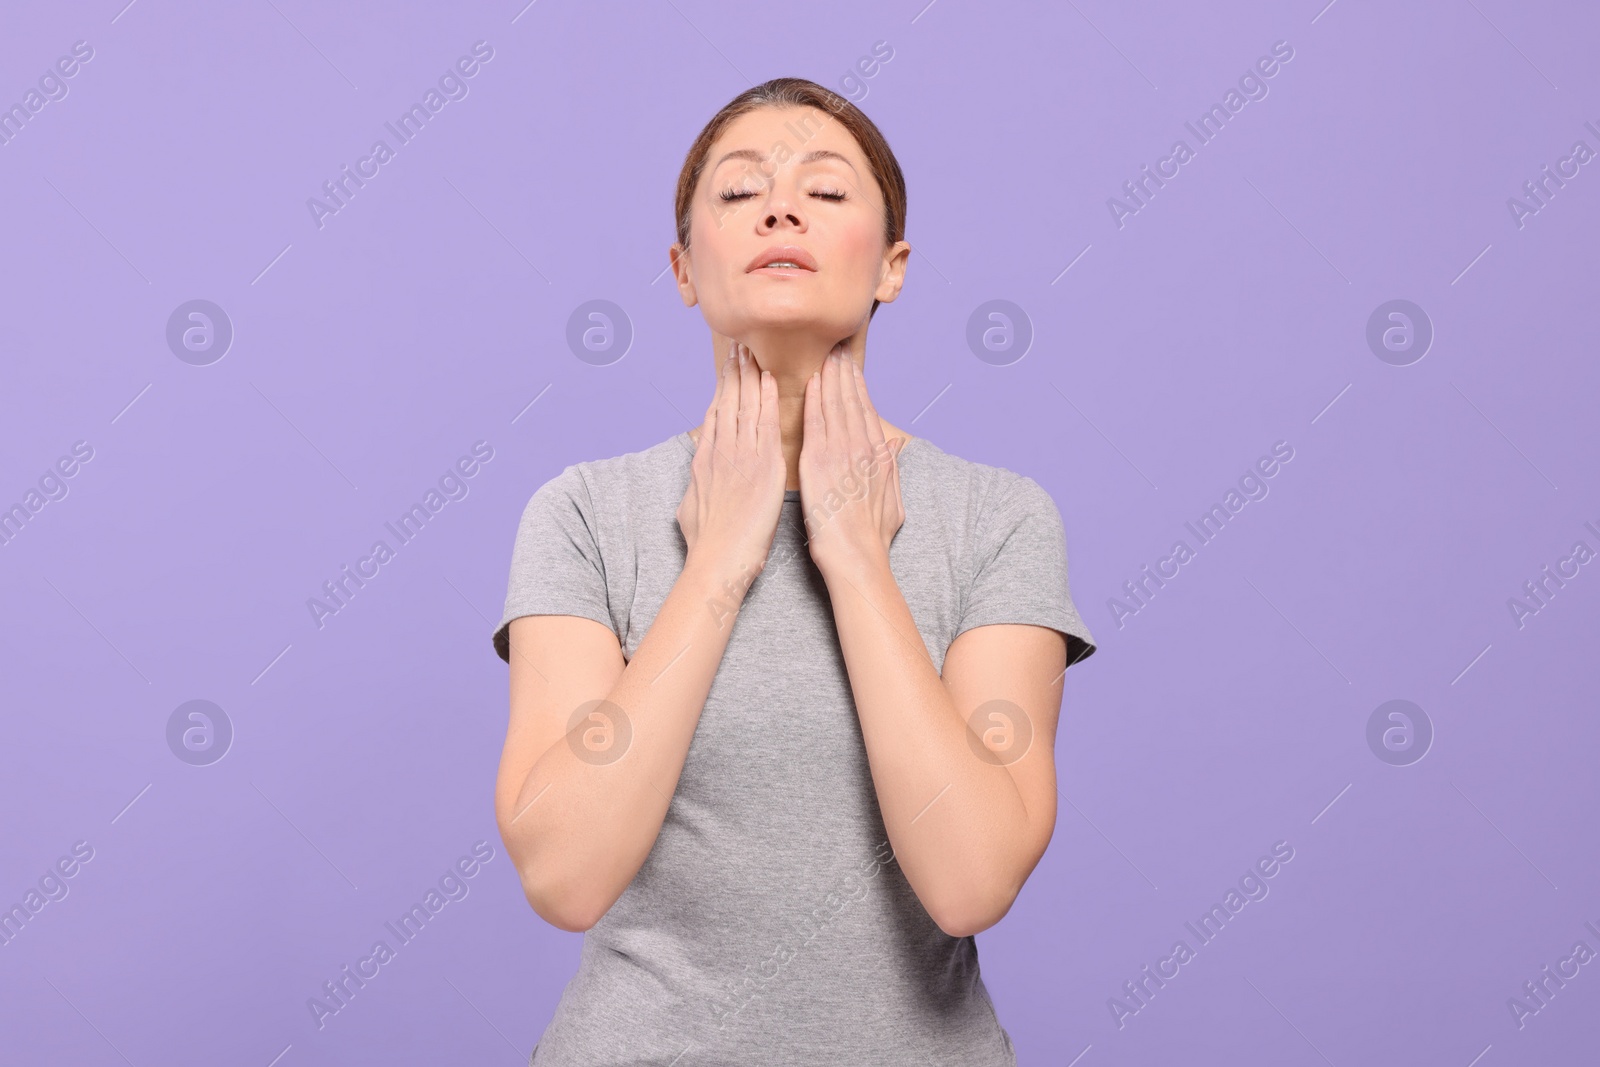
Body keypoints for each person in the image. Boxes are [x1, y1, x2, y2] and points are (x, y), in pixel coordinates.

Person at [491, 76, 1096, 1067]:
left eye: (825, 190)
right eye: (738, 192)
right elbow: (564, 873)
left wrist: (855, 559)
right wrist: (720, 561)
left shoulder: (996, 518)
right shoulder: (586, 513)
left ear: (891, 266)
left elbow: (971, 878)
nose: (779, 207)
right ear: (683, 270)